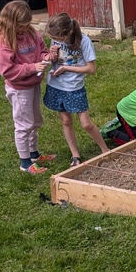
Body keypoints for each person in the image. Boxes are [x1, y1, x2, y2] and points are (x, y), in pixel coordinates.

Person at [0, 0, 56, 175]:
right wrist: (33, 67)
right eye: (21, 26)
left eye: (27, 24)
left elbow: (42, 50)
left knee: (35, 120)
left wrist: (46, 57)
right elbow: (7, 71)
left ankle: (34, 154)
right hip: (19, 88)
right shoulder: (3, 41)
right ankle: (25, 163)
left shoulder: (32, 32)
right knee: (23, 124)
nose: (24, 29)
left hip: (33, 84)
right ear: (10, 22)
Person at [43, 12, 109, 166]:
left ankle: (105, 150)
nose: (56, 40)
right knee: (66, 121)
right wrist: (51, 55)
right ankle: (75, 155)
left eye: (59, 38)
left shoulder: (84, 41)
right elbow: (54, 59)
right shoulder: (56, 37)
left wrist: (66, 68)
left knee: (86, 124)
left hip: (74, 88)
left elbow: (91, 69)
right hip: (56, 85)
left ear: (69, 32)